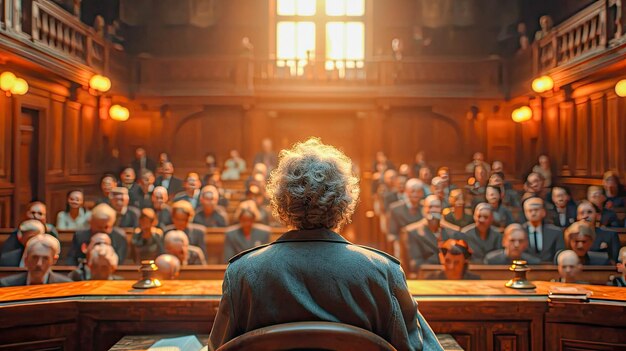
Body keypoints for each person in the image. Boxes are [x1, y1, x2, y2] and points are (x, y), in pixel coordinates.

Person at [209, 138, 442, 351]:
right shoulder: (383, 272)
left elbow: (217, 349)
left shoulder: (242, 273)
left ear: (282, 203)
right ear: (344, 203)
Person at [405, 195, 459, 272]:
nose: (433, 210)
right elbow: (415, 264)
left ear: (441, 210)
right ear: (424, 210)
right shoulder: (413, 232)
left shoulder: (453, 232)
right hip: (426, 276)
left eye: (436, 207)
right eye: (430, 207)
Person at [0, 234, 71, 287]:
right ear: (26, 259)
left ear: (54, 260)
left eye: (45, 258)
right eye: (35, 257)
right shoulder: (6, 285)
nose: (39, 264)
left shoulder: (65, 286)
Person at [522, 197, 564, 263]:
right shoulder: (520, 232)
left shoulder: (556, 232)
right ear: (525, 213)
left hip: (549, 269)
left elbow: (560, 254)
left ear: (543, 212)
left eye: (536, 210)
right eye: (529, 210)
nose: (533, 213)